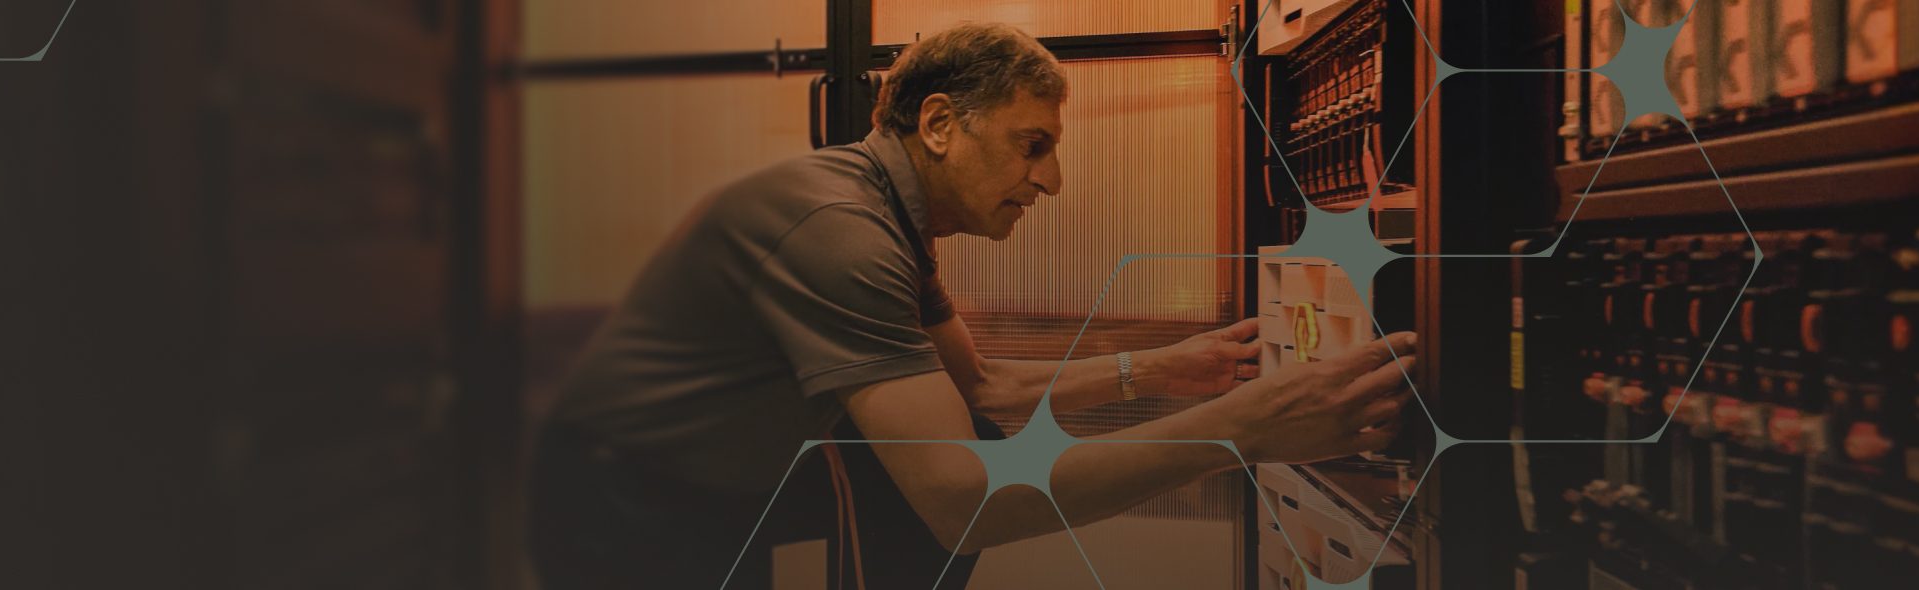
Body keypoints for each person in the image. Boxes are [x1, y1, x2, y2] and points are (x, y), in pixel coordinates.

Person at [526, 22, 1416, 589]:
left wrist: (1165, 369)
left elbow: (981, 392)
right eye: (1033, 145)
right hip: (625, 494)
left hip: (713, 482)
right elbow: (960, 501)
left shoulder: (884, 214)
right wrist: (1240, 429)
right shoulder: (840, 229)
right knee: (942, 478)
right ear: (942, 125)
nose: (1053, 180)